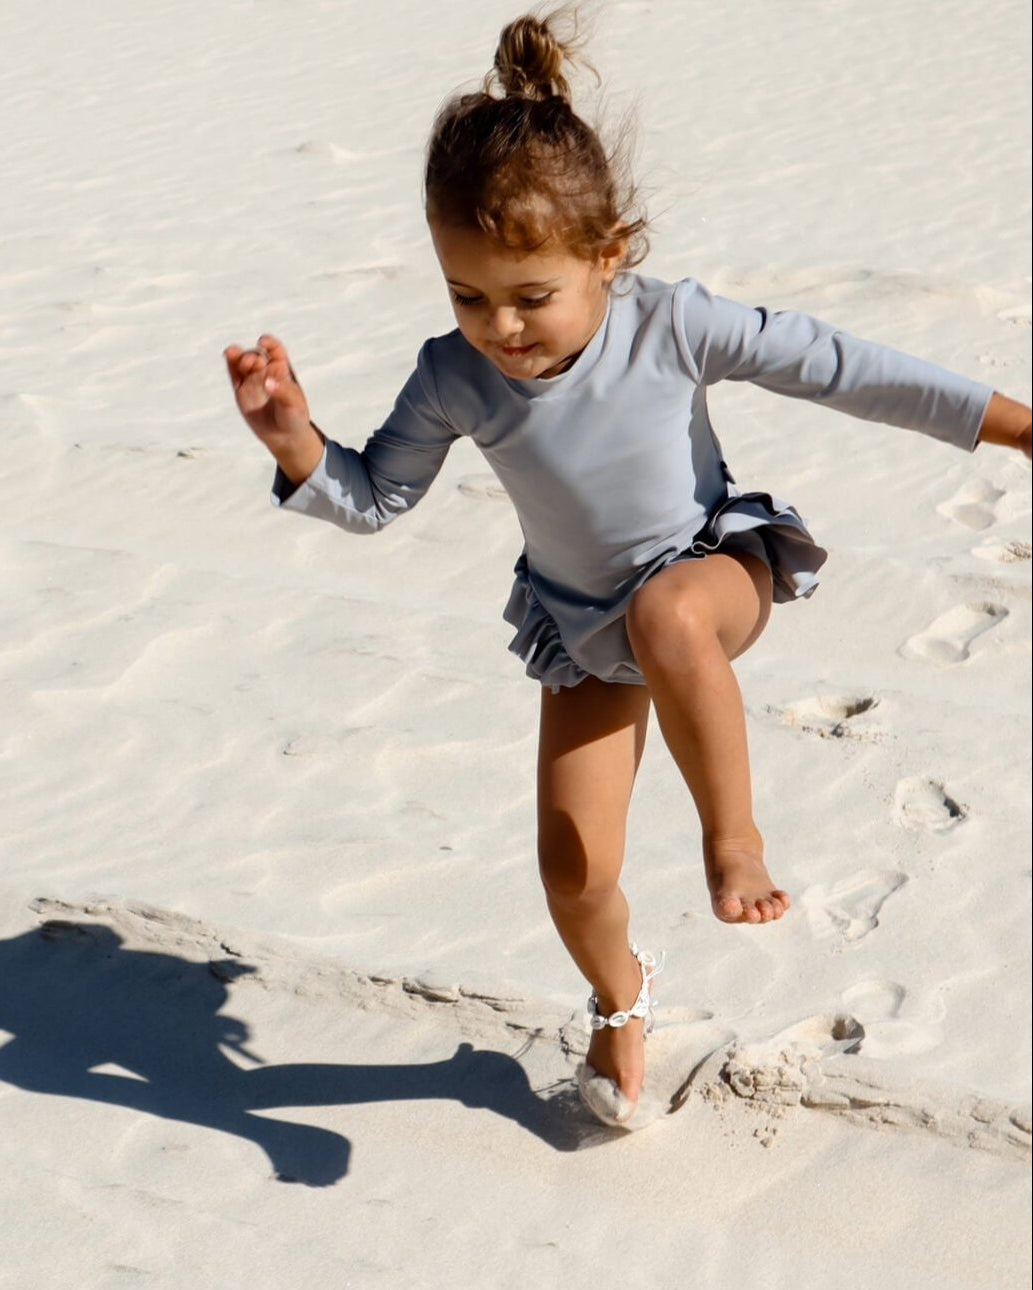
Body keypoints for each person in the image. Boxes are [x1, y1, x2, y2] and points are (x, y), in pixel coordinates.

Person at [224, 11, 1031, 1128]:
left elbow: (845, 368)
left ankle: (731, 837)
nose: (499, 326)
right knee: (570, 871)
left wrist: (1019, 429)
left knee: (666, 614)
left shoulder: (674, 325)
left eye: (529, 295)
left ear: (608, 255)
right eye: (466, 295)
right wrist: (293, 441)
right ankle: (619, 998)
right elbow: (373, 500)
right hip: (579, 627)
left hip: (711, 572)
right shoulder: (451, 376)